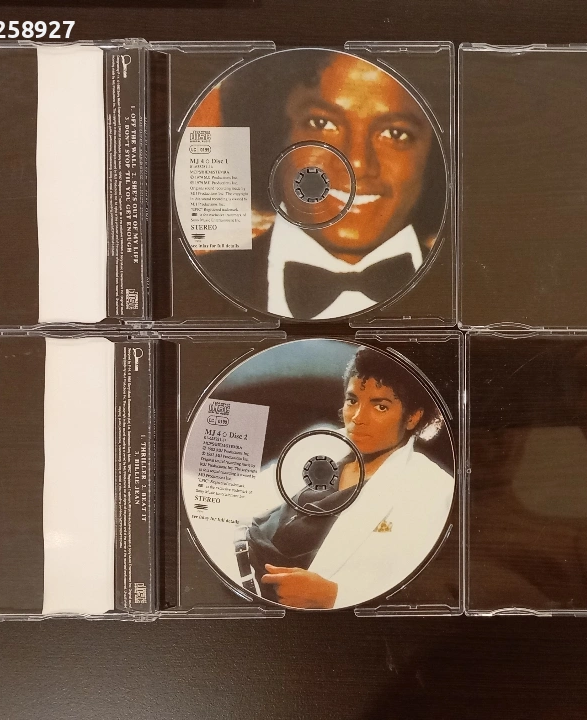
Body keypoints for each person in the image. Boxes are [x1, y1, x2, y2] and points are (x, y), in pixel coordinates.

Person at [194, 50, 445, 319]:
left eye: (395, 133)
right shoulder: (189, 286)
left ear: (434, 155)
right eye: (321, 123)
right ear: (273, 134)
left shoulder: (468, 289)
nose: (357, 163)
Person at [240, 347, 454, 609]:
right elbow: (243, 499)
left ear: (413, 417)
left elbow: (425, 591)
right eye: (352, 401)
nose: (358, 418)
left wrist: (335, 597)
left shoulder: (433, 489)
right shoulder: (319, 441)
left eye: (380, 406)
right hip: (237, 574)